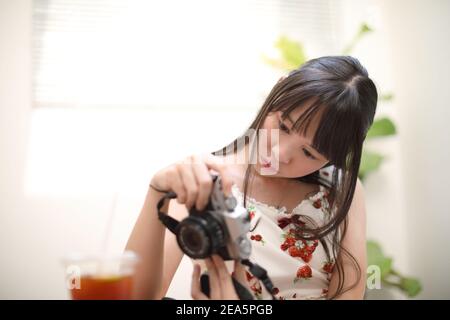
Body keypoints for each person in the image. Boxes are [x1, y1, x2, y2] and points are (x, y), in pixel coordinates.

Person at [126, 56, 378, 300]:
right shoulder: (207, 179)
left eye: (308, 152)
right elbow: (135, 298)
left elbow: (349, 292)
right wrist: (156, 192)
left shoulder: (342, 187)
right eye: (283, 126)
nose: (280, 153)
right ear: (279, 87)